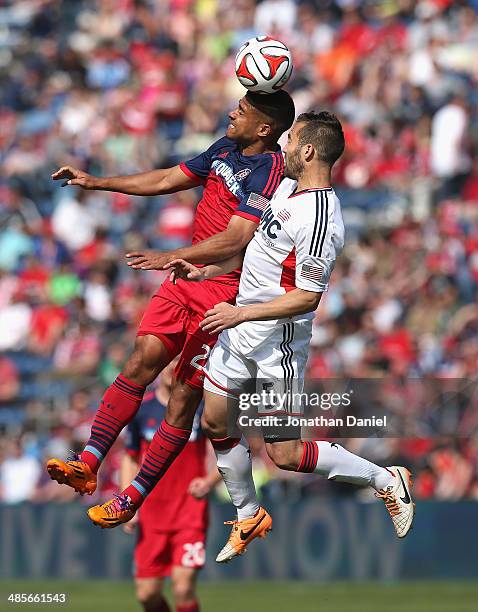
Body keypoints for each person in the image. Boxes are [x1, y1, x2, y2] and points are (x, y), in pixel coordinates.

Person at [166, 112, 415, 563]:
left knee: (283, 453)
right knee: (216, 422)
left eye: (291, 139)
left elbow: (306, 298)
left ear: (309, 151)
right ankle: (248, 514)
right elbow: (256, 253)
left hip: (274, 345)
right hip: (238, 327)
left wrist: (241, 312)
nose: (282, 145)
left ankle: (385, 479)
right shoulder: (284, 188)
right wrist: (207, 270)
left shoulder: (322, 217)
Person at [46, 91, 296, 529]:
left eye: (241, 110)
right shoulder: (225, 148)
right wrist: (98, 181)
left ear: (264, 128)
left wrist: (171, 254)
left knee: (182, 400)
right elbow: (166, 179)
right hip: (185, 279)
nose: (230, 112)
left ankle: (132, 497)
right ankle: (87, 461)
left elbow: (237, 239)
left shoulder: (272, 172)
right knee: (141, 360)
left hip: (226, 295)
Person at [122, 361, 220, 612]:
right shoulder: (142, 411)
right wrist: (126, 505)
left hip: (190, 512)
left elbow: (231, 453)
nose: (173, 369)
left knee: (183, 587)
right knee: (147, 595)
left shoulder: (200, 408)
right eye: (169, 363)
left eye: (179, 363)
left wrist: (210, 481)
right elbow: (130, 457)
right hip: (152, 514)